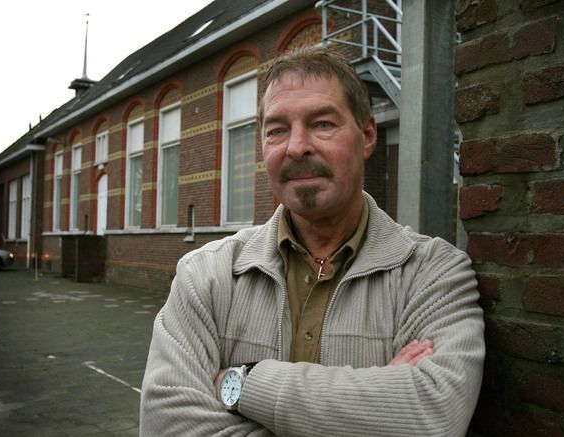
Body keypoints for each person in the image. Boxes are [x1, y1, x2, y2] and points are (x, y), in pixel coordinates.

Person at [140, 47, 485, 436]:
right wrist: (375, 409)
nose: (296, 146)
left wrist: (243, 384)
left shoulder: (435, 274)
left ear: (368, 135)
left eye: (322, 124)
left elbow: (433, 418)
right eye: (277, 130)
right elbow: (166, 426)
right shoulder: (203, 275)